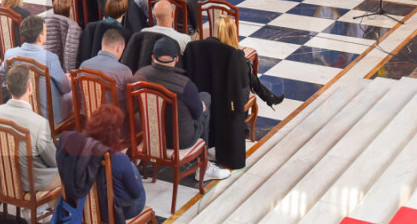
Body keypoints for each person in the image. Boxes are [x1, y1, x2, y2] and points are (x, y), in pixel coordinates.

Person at [132, 38, 229, 181]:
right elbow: (197, 114)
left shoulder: (139, 76)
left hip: (150, 135)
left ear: (152, 57)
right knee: (205, 100)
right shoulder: (185, 85)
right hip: (180, 141)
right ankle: (205, 167)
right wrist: (201, 106)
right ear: (177, 59)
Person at [0, 64, 60, 191]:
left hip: (5, 180)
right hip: (33, 184)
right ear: (30, 87)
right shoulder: (40, 123)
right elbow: (53, 161)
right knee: (76, 172)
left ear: (7, 87)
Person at [1, 15, 71, 127]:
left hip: (21, 113)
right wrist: (67, 79)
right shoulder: (50, 58)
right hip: (48, 117)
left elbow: (2, 78)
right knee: (73, 93)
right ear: (40, 37)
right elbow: (66, 88)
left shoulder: (10, 54)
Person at [85, 104, 146, 224]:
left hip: (92, 210)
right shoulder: (119, 158)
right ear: (115, 132)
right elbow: (136, 193)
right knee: (132, 168)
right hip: (119, 212)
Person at [215, 15, 283, 107]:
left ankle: (269, 97)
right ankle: (269, 98)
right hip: (232, 98)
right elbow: (243, 80)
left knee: (250, 76)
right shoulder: (237, 55)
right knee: (250, 77)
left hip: (214, 89)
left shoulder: (209, 49)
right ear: (232, 32)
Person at [79, 29, 134, 128]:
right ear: (118, 48)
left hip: (89, 121)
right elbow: (130, 105)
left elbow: (78, 96)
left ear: (102, 44)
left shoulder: (83, 66)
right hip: (115, 126)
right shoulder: (124, 71)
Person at [44, 0, 81, 73]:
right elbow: (70, 55)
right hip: (62, 72)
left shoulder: (44, 21)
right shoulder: (74, 27)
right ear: (70, 10)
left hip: (44, 67)